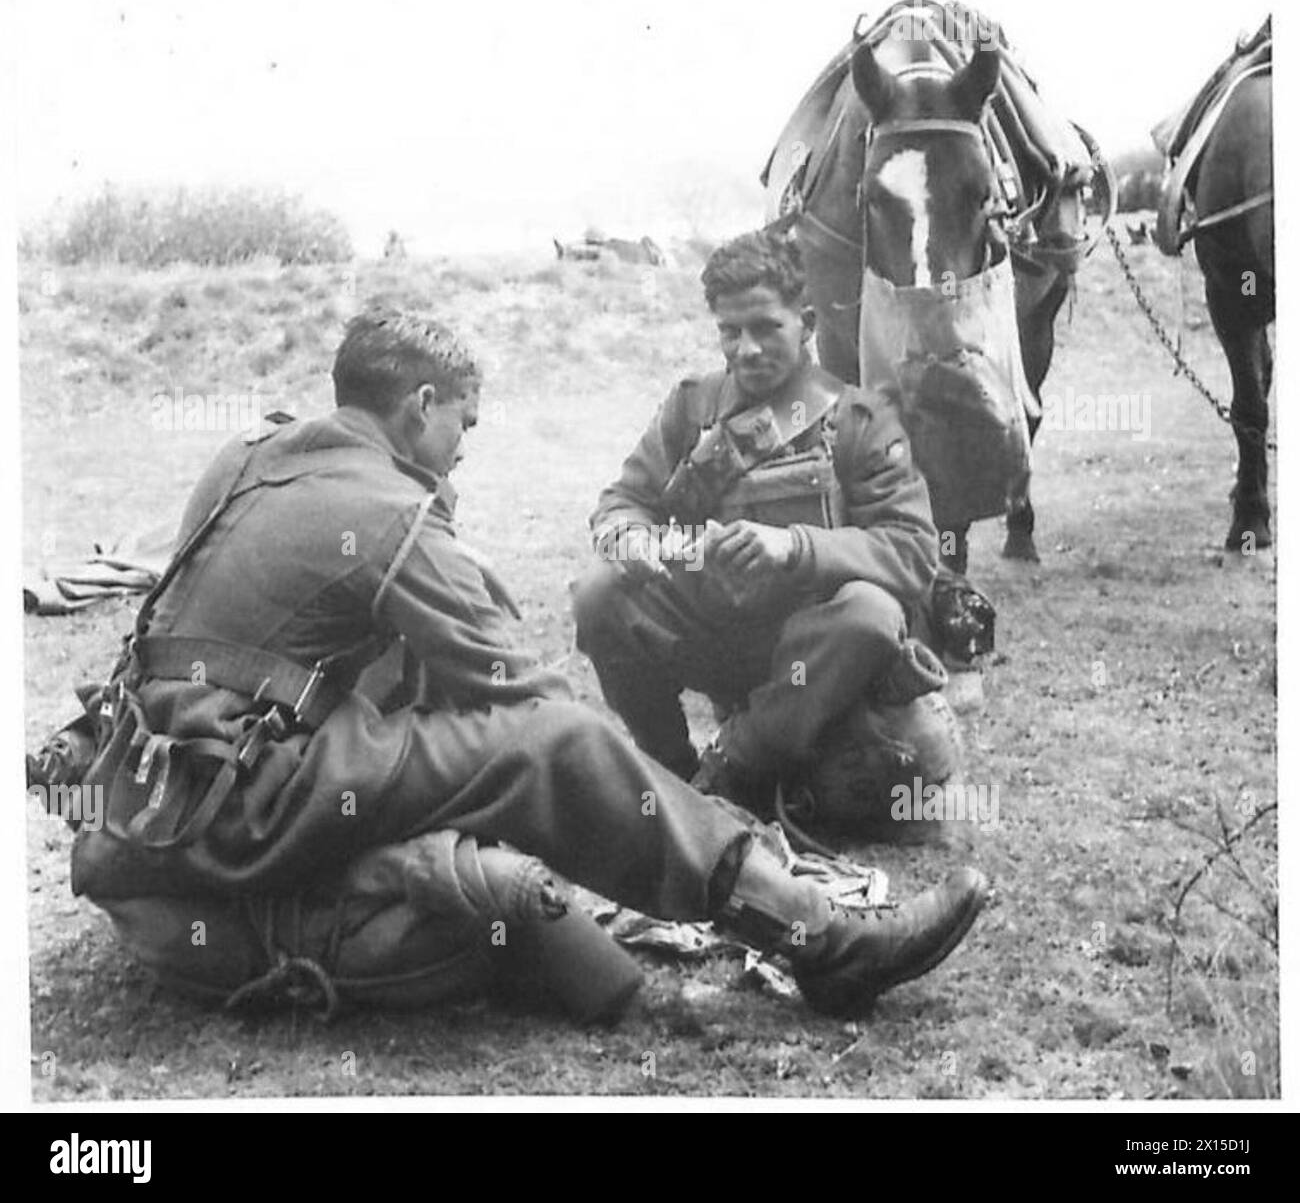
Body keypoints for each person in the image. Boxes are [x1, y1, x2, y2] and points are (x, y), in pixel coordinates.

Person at [44, 307, 986, 1022]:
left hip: (153, 780)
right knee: (556, 738)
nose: (464, 446)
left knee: (462, 726)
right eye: (464, 423)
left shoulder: (248, 454)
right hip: (246, 796)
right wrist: (663, 796)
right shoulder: (389, 510)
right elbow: (517, 692)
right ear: (419, 408)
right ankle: (821, 939)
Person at [572, 229, 945, 810]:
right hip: (718, 635)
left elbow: (914, 551)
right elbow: (624, 498)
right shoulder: (693, 406)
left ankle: (730, 774)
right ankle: (671, 769)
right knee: (599, 592)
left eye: (767, 327)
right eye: (730, 331)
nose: (746, 349)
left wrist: (795, 546)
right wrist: (628, 534)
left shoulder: (858, 421)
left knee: (871, 614)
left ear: (809, 324)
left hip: (815, 659)